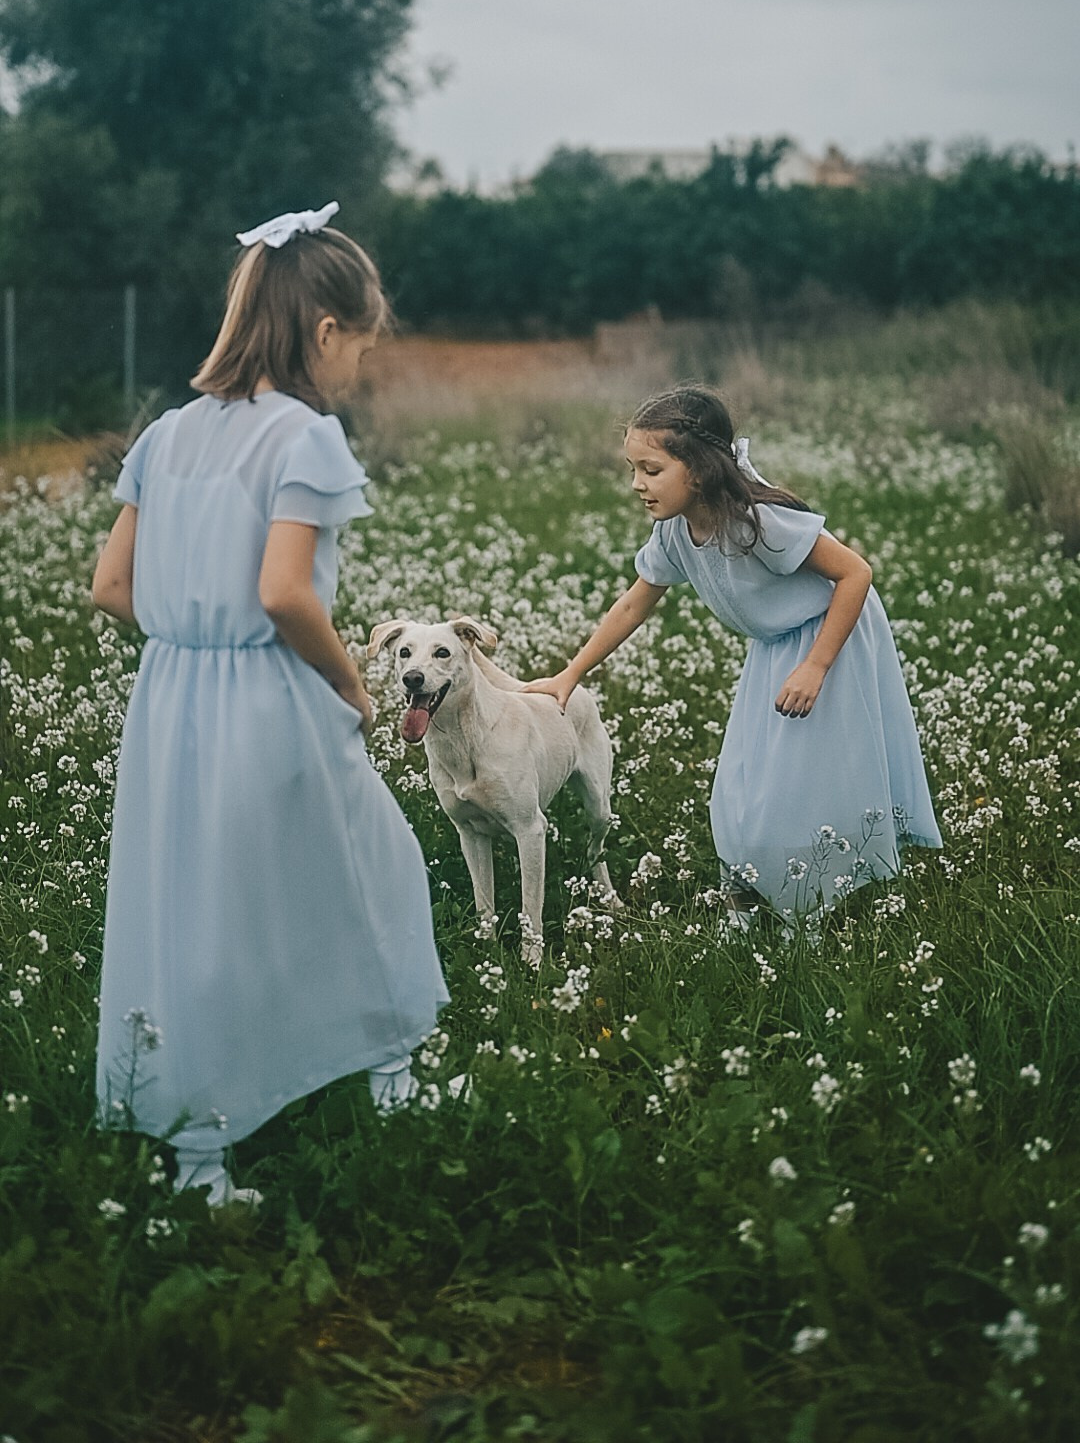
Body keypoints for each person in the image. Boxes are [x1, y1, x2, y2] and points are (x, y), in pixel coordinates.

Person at [91, 202, 448, 1207]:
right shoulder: (307, 436)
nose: (360, 372)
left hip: (172, 700)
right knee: (367, 876)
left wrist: (187, 650)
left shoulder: (167, 435)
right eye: (362, 351)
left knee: (199, 912)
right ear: (326, 333)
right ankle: (392, 1079)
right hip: (269, 691)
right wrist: (344, 677)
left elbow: (110, 588)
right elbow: (286, 592)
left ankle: (201, 1155)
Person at [524, 384, 942, 924]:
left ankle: (806, 917)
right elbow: (633, 605)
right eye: (632, 469)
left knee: (796, 789)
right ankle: (749, 913)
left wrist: (815, 666)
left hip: (829, 641)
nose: (636, 485)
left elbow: (855, 573)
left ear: (697, 471)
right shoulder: (674, 531)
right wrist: (569, 675)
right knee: (739, 789)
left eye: (651, 470)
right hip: (773, 648)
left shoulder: (758, 521)